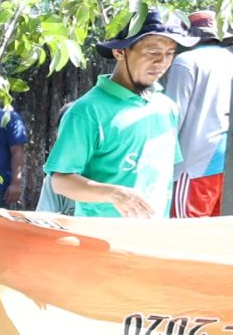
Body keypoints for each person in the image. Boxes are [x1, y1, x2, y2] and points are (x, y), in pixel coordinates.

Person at [44, 12, 190, 218]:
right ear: (119, 52)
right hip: (101, 240)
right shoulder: (87, 111)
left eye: (170, 53)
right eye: (152, 52)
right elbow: (60, 181)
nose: (162, 62)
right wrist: (114, 194)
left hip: (154, 237)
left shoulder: (166, 107)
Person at [163, 10, 233, 217]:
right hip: (228, 159)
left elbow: (173, 115)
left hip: (193, 162)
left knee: (183, 232)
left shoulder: (186, 61)